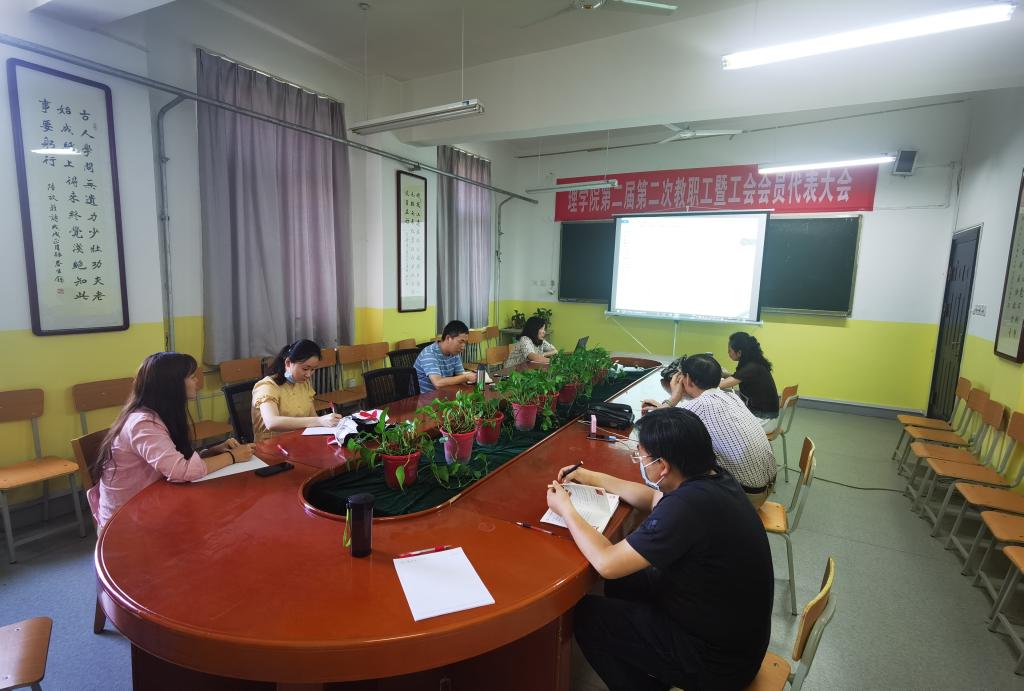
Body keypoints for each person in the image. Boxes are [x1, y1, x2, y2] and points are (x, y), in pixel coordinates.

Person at [545, 407, 773, 691]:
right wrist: (591, 477)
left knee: (589, 617)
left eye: (641, 456)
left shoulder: (687, 507)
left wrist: (566, 509)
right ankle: (653, 662)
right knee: (624, 582)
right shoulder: (711, 479)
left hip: (718, 663)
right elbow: (653, 497)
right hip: (726, 631)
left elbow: (607, 562)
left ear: (662, 466)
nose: (639, 462)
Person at [86, 352, 255, 528]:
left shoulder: (159, 414)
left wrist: (211, 452)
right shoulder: (143, 424)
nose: (197, 381)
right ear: (171, 385)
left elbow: (172, 461)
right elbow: (181, 471)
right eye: (191, 377)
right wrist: (232, 457)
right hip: (125, 523)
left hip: (149, 502)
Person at [642, 354, 777, 507]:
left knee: (678, 460)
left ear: (687, 379)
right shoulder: (732, 397)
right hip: (766, 486)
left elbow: (656, 428)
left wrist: (674, 398)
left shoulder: (697, 406)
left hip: (745, 497)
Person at [251, 339, 341, 442]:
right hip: (271, 445)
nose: (308, 375)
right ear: (288, 363)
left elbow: (312, 416)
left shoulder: (303, 383)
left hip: (299, 440)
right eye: (305, 369)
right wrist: (319, 420)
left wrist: (329, 424)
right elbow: (272, 422)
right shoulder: (267, 386)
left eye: (313, 369)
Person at [720, 332, 780, 430]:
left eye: (729, 350)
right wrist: (725, 374)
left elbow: (721, 385)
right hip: (766, 415)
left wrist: (705, 379)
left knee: (724, 423)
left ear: (739, 352)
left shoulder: (751, 367)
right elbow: (738, 377)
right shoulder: (754, 363)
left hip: (764, 419)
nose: (728, 353)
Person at [414, 320, 477, 392]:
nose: (463, 347)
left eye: (465, 343)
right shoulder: (429, 353)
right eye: (460, 342)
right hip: (427, 397)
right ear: (448, 338)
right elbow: (438, 383)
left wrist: (472, 376)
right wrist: (466, 377)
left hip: (445, 393)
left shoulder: (454, 353)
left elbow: (460, 375)